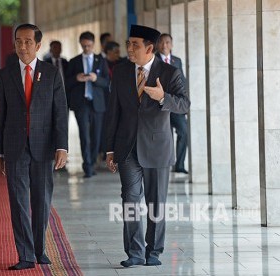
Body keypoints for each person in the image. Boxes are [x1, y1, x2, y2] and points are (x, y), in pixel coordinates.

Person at [105, 25, 190, 267]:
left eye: (135, 45)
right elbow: (113, 112)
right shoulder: (120, 72)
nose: (129, 49)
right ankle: (135, 252)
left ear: (149, 48)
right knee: (130, 200)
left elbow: (184, 105)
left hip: (157, 148)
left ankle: (154, 251)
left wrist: (163, 97)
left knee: (156, 202)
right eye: (128, 44)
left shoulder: (170, 72)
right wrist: (110, 149)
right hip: (127, 148)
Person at [0, 23, 68, 270]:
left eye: (27, 42)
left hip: (44, 147)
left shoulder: (51, 73)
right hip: (14, 147)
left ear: (37, 45)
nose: (22, 46)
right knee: (18, 201)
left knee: (42, 200)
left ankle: (39, 249)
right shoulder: (5, 74)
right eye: (18, 41)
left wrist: (62, 147)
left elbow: (60, 112)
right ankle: (25, 254)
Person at [66, 31, 109, 178]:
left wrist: (96, 78)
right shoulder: (74, 61)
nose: (86, 48)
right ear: (80, 44)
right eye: (83, 46)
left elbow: (107, 82)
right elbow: (66, 83)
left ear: (93, 44)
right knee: (84, 136)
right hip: (81, 103)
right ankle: (88, 166)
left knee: (96, 136)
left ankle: (92, 161)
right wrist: (76, 78)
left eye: (89, 46)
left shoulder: (101, 60)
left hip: (97, 103)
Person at [156, 33, 189, 174]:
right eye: (162, 42)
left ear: (172, 44)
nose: (165, 45)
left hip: (175, 105)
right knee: (165, 135)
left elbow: (182, 81)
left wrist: (184, 103)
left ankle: (180, 165)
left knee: (184, 132)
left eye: (168, 42)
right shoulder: (154, 61)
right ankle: (165, 163)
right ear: (157, 45)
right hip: (160, 106)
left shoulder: (177, 61)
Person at [44, 40, 69, 107]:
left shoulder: (66, 62)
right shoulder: (45, 63)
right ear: (50, 50)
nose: (57, 49)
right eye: (55, 47)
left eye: (59, 48)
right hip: (50, 94)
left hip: (65, 94)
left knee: (65, 115)